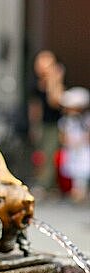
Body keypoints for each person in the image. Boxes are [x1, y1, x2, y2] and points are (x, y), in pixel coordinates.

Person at [29, 50, 65, 192]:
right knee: (41, 154)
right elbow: (34, 107)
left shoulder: (56, 81)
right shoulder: (36, 83)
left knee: (51, 153)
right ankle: (43, 182)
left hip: (56, 123)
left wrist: (53, 80)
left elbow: (55, 101)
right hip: (42, 124)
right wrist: (34, 126)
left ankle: (46, 184)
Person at [57, 87, 90, 202]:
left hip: (83, 150)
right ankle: (76, 191)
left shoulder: (85, 120)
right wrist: (67, 142)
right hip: (71, 150)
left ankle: (81, 191)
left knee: (83, 171)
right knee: (74, 171)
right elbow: (62, 136)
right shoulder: (65, 121)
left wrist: (81, 141)